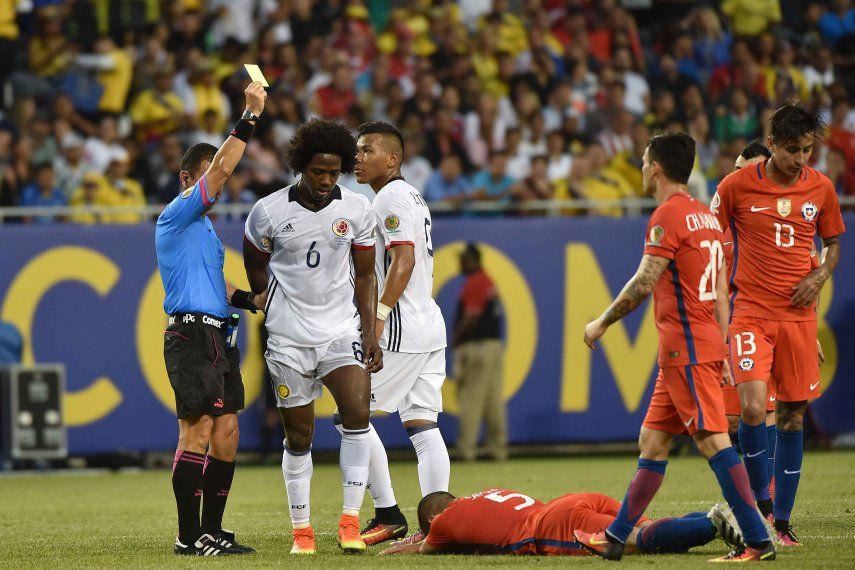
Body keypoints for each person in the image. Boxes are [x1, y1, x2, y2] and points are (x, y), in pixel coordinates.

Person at [582, 133, 774, 562]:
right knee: (652, 441)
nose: (641, 167)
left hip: (685, 349)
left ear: (656, 167)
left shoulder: (667, 215)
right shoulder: (706, 218)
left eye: (644, 160)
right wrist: (723, 349)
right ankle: (615, 537)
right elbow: (722, 292)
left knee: (713, 442)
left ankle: (758, 539)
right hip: (692, 348)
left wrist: (602, 322)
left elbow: (644, 282)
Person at [243, 118, 383, 555]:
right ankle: (301, 530)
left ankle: (349, 522)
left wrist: (370, 328)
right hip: (288, 338)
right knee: (299, 437)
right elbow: (254, 262)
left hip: (341, 331)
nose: (326, 180)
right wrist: (269, 301)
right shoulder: (268, 211)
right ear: (301, 165)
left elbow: (365, 277)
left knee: (358, 416)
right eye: (318, 171)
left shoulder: (357, 209)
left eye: (334, 172)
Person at [710, 103, 846, 545]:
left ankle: (783, 523)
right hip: (750, 312)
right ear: (771, 145)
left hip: (799, 320)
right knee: (751, 408)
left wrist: (820, 275)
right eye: (792, 150)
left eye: (807, 150)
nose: (801, 159)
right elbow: (710, 239)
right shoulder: (735, 186)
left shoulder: (821, 188)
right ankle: (760, 508)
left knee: (791, 416)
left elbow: (833, 245)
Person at [155, 81, 268, 557]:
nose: (217, 185)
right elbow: (222, 168)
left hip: (219, 336)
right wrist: (249, 116)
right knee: (197, 430)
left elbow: (220, 289)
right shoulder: (177, 215)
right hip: (189, 335)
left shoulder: (202, 232)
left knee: (226, 434)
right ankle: (187, 536)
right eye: (205, 178)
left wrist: (253, 299)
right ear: (187, 180)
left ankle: (212, 530)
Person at [350, 121, 450, 546]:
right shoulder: (413, 196)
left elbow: (403, 261)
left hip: (401, 326)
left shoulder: (389, 196)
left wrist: (378, 318)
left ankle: (388, 513)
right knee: (423, 427)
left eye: (367, 149)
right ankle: (441, 523)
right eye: (356, 150)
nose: (357, 156)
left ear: (392, 159)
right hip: (429, 322)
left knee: (351, 417)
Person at [379, 488, 743, 557]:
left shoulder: (442, 523)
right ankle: (726, 518)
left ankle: (711, 524)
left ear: (430, 518)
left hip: (551, 525)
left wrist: (402, 545)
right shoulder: (489, 491)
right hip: (574, 500)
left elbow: (415, 549)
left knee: (636, 540)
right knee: (653, 528)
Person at [453, 243, 506, 462]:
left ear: (473, 260)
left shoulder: (475, 282)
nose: (460, 263)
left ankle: (467, 450)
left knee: (471, 399)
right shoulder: (488, 281)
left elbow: (471, 317)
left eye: (463, 259)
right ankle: (497, 449)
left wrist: (454, 340)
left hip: (477, 348)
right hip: (493, 347)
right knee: (493, 400)